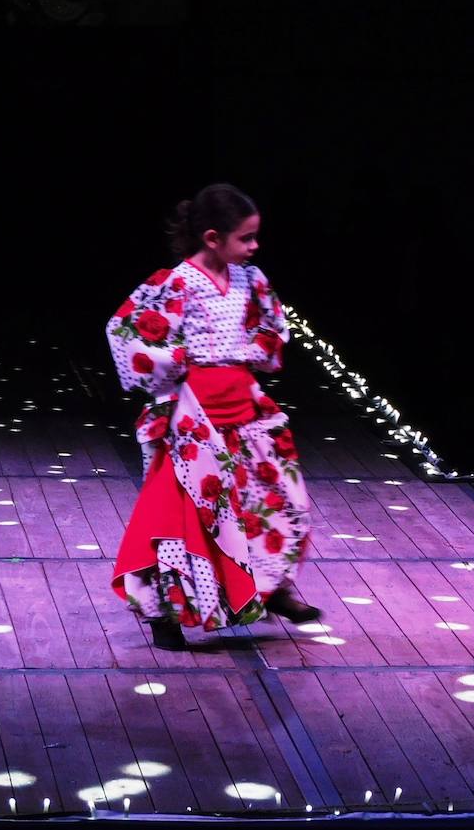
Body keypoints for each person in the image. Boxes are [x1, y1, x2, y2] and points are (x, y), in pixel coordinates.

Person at [107, 183, 320, 651]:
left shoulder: (251, 280)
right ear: (211, 237)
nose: (254, 246)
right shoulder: (175, 283)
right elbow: (125, 331)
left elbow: (272, 326)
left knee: (275, 498)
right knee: (180, 518)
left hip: (245, 410)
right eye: (245, 238)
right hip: (193, 419)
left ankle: (272, 587)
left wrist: (257, 350)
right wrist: (180, 357)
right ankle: (165, 612)